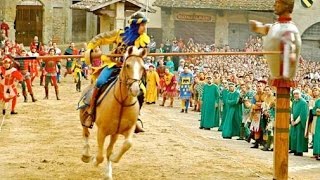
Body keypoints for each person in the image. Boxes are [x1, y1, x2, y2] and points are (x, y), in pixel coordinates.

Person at [83, 12, 150, 132]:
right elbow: (101, 38)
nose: (145, 28)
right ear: (135, 25)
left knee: (142, 90)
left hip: (131, 70)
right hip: (115, 65)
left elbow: (143, 54)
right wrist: (91, 49)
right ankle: (91, 112)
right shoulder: (120, 34)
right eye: (142, 25)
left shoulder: (144, 39)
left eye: (145, 25)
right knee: (100, 82)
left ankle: (136, 117)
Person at [289, 89, 309, 156]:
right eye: (294, 94)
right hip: (293, 121)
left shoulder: (303, 102)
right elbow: (292, 111)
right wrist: (292, 120)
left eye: (297, 94)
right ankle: (294, 149)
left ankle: (299, 151)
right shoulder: (294, 102)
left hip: (300, 122)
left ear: (300, 94)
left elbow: (302, 114)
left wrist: (296, 122)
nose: (295, 95)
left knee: (299, 136)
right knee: (293, 135)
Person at [312, 87, 320, 160]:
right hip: (318, 120)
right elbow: (313, 110)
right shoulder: (318, 101)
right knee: (317, 136)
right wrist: (316, 112)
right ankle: (318, 152)